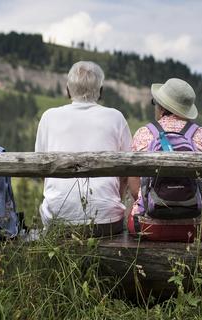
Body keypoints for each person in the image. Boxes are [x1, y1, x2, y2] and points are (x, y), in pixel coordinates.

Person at [35, 61, 132, 236]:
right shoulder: (116, 118)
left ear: (67, 90)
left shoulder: (49, 117)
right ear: (101, 91)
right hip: (106, 221)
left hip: (57, 219)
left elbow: (42, 170)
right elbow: (127, 172)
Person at [127, 78, 202, 241]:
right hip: (198, 228)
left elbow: (135, 189)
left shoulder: (144, 134)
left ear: (162, 106)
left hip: (148, 226)